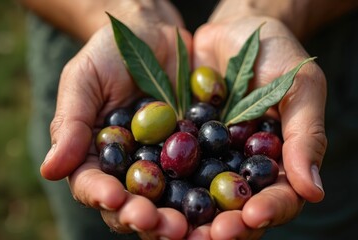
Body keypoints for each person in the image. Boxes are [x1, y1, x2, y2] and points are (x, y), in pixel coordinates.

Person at [18, 0, 358, 239]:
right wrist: (125, 9)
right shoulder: (136, 133)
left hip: (331, 48)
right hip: (83, 43)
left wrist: (265, 9)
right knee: (96, 222)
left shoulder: (207, 140)